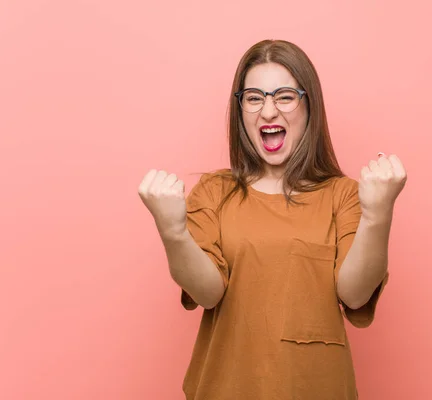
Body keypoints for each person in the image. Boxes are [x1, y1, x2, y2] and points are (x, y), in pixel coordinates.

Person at [138, 39, 407, 400]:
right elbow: (208, 292)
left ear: (310, 105)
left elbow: (355, 296)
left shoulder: (342, 195)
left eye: (283, 96)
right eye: (253, 97)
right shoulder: (215, 191)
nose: (267, 111)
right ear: (240, 110)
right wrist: (173, 232)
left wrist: (378, 216)